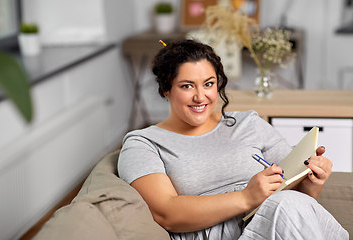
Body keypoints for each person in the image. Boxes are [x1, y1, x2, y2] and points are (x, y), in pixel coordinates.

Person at [118, 39, 349, 240]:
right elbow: (165, 213)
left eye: (208, 84)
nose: (201, 96)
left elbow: (300, 200)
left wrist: (311, 180)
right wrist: (247, 197)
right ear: (166, 89)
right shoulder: (143, 142)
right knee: (285, 204)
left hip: (282, 221)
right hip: (218, 232)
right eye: (187, 86)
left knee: (289, 203)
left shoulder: (248, 123)